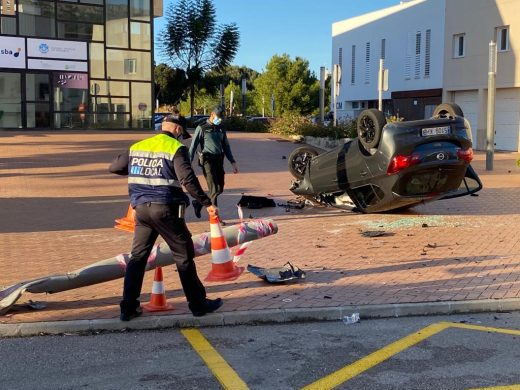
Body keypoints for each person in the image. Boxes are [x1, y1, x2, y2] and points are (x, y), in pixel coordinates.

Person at [109, 115, 223, 321]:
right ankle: (198, 304)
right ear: (178, 130)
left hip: (141, 210)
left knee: (138, 258)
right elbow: (187, 180)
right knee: (184, 256)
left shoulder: (138, 146)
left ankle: (128, 308)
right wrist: (207, 203)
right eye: (182, 134)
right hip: (167, 210)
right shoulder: (175, 148)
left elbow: (114, 167)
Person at [188, 106, 238, 219]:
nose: (220, 119)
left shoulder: (221, 128)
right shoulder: (202, 128)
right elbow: (193, 147)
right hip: (207, 161)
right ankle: (216, 218)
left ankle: (198, 203)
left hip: (219, 160)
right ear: (212, 114)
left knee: (220, 189)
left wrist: (233, 162)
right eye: (218, 117)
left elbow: (226, 146)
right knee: (214, 189)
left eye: (221, 118)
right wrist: (188, 163)